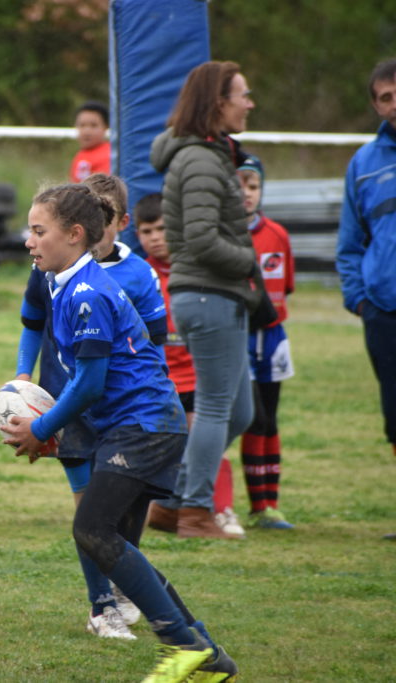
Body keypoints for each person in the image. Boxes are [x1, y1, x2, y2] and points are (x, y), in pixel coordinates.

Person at [3, 184, 237, 683]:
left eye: (39, 231)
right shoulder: (61, 282)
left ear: (74, 234)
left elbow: (89, 384)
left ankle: (184, 643)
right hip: (132, 426)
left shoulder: (89, 294)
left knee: (92, 530)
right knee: (108, 540)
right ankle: (207, 653)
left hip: (144, 426)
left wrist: (40, 428)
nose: (29, 241)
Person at [16, 172, 165, 640]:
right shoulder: (47, 269)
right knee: (89, 512)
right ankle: (102, 605)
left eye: (101, 210)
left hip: (120, 409)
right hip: (70, 404)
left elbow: (153, 342)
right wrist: (24, 376)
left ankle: (132, 592)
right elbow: (32, 323)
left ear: (116, 221)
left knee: (117, 514)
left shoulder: (131, 276)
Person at [148, 60, 260, 539]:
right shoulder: (197, 160)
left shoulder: (209, 155)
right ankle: (194, 511)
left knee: (239, 412)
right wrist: (248, 261)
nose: (249, 104)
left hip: (214, 294)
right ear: (219, 103)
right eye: (243, 95)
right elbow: (196, 240)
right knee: (217, 406)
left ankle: (171, 499)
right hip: (209, 294)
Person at [135, 194, 246, 538]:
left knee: (211, 438)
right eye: (146, 230)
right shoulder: (140, 275)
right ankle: (168, 505)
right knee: (177, 449)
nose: (154, 237)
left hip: (196, 379)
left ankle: (220, 509)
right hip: (163, 383)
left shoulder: (196, 272)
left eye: (162, 228)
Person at [336, 57, 396, 469]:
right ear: (376, 106)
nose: (395, 104)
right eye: (386, 98)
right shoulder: (364, 164)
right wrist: (361, 300)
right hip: (384, 309)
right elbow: (349, 242)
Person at [236, 154, 297, 530]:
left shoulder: (278, 235)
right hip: (236, 337)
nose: (246, 193)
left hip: (271, 338)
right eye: (239, 184)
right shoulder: (223, 238)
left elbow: (285, 287)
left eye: (253, 185)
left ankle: (266, 506)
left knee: (269, 419)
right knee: (250, 419)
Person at [69, 102, 111, 183]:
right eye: (82, 125)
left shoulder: (109, 155)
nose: (87, 131)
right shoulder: (80, 155)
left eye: (93, 125)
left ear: (105, 127)